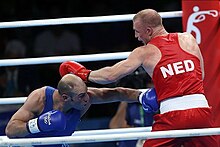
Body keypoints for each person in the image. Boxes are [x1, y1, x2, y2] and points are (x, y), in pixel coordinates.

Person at [59, 9, 218, 147]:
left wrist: (84, 74)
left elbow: (111, 75)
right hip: (202, 113)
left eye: (137, 31)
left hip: (173, 117)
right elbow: (200, 75)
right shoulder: (188, 39)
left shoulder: (145, 51)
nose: (136, 36)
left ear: (148, 31)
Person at [5, 74, 157, 147]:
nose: (87, 99)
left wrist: (140, 96)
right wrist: (37, 125)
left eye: (86, 92)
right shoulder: (41, 98)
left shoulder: (86, 96)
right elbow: (10, 130)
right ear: (65, 98)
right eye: (81, 96)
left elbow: (114, 93)